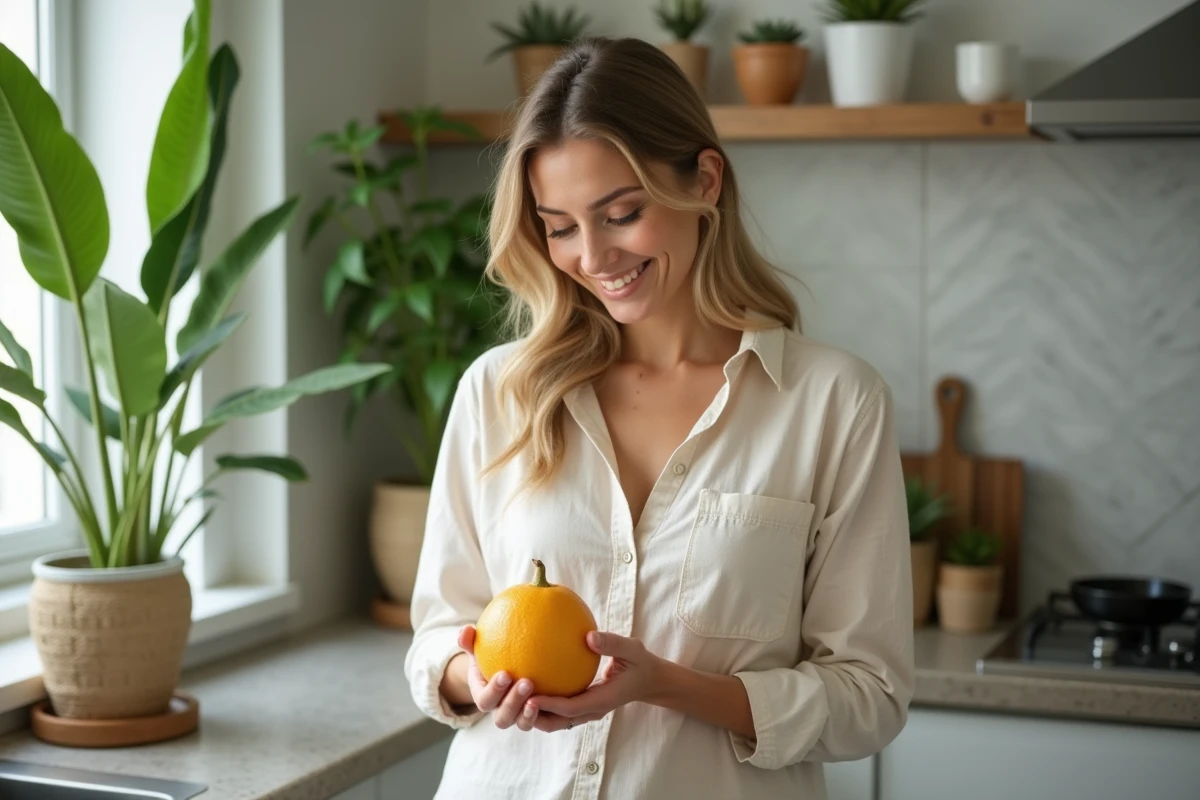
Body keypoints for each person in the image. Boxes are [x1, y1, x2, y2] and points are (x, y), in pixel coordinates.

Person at [403, 36, 914, 800]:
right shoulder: (499, 392)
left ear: (705, 180)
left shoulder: (833, 403)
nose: (593, 255)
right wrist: (471, 677)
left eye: (621, 213)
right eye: (560, 225)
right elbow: (436, 636)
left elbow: (869, 695)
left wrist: (662, 685)